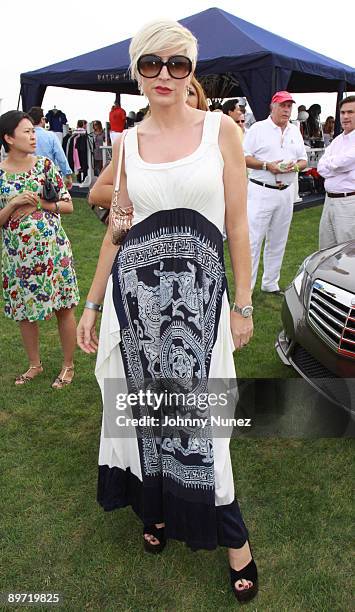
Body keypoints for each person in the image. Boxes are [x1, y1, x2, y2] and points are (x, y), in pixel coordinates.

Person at [77, 19, 258, 603]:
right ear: (137, 72)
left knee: (204, 425)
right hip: (136, 309)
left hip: (202, 312)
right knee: (141, 420)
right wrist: (93, 299)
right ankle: (153, 511)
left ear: (191, 71)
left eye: (177, 64)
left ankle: (236, 543)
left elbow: (236, 225)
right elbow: (118, 226)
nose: (164, 75)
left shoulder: (222, 131)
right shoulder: (127, 142)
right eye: (150, 64)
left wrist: (244, 303)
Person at [0, 111, 79, 387]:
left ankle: (68, 366)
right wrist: (12, 204)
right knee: (24, 311)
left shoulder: (45, 166)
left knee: (63, 307)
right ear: (8, 138)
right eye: (26, 132)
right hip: (17, 257)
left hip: (52, 253)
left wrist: (37, 205)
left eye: (33, 131)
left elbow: (68, 205)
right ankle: (34, 365)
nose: (33, 136)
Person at [243, 91, 307, 294]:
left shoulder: (295, 131)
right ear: (273, 106)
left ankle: (270, 283)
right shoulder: (258, 129)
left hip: (286, 192)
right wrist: (265, 165)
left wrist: (295, 167)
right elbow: (243, 156)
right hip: (261, 191)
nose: (286, 110)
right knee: (253, 240)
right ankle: (247, 289)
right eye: (283, 106)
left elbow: (303, 160)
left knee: (278, 239)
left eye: (289, 106)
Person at [317, 96, 355, 248]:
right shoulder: (338, 140)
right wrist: (336, 167)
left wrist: (333, 165)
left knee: (347, 253)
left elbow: (343, 162)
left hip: (348, 203)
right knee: (325, 251)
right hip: (329, 201)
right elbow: (321, 167)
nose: (345, 116)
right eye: (343, 112)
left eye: (350, 112)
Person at [28, 107, 73, 188]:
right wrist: (68, 175)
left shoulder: (25, 136)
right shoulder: (51, 136)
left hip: (29, 175)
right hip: (48, 175)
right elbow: (60, 157)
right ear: (42, 120)